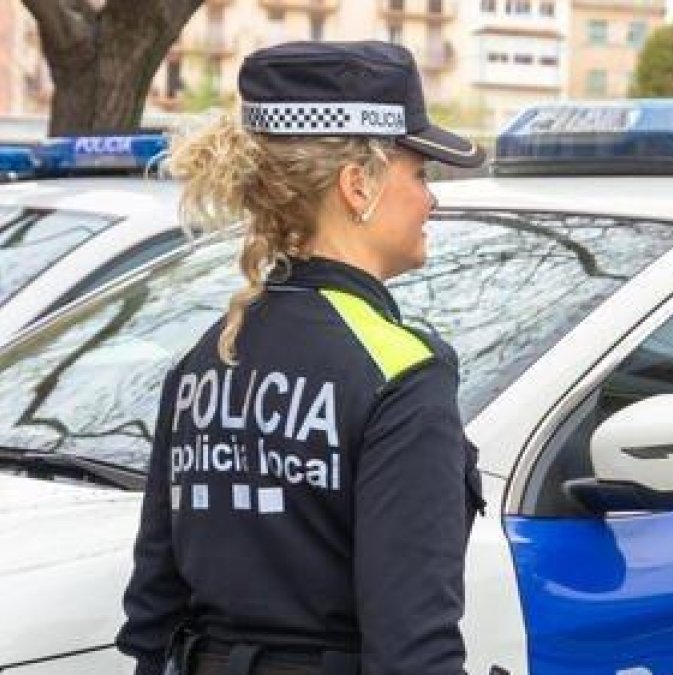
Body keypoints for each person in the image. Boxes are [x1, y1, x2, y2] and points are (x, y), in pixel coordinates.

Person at [115, 41, 487, 675]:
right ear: (358, 184)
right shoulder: (402, 373)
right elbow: (412, 648)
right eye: (420, 174)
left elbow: (154, 613)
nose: (432, 201)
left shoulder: (205, 362)